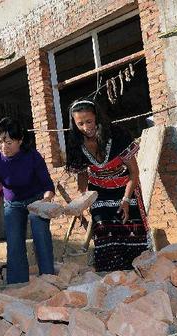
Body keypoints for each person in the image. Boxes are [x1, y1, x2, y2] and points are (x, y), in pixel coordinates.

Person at [65, 99, 151, 272]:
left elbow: (134, 173)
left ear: (97, 117)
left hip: (126, 187)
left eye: (89, 121)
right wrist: (83, 196)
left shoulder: (118, 135)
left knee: (130, 230)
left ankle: (135, 275)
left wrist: (126, 199)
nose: (85, 127)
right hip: (98, 191)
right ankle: (110, 276)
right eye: (80, 123)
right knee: (103, 229)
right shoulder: (75, 143)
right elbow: (82, 173)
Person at [0, 117, 56, 284]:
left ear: (20, 140)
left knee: (41, 234)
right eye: (0, 141)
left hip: (37, 200)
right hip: (13, 203)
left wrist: (45, 201)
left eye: (9, 142)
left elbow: (47, 184)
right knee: (14, 242)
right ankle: (18, 283)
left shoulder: (32, 156)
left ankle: (48, 279)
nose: (3, 147)